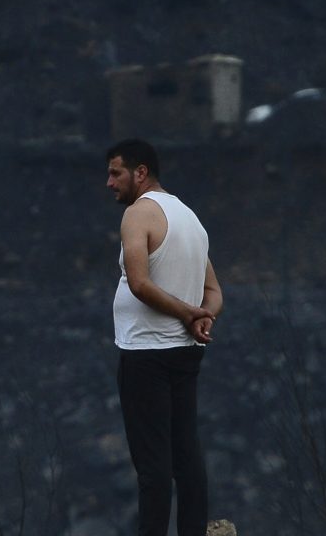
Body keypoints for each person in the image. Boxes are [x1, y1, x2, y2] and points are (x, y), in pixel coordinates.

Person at [105, 138, 223, 536]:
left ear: (141, 172)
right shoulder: (190, 218)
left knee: (152, 466)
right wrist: (200, 318)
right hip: (184, 353)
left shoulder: (139, 215)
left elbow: (138, 283)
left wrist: (190, 314)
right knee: (186, 458)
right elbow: (215, 293)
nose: (109, 182)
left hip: (146, 354)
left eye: (115, 172)